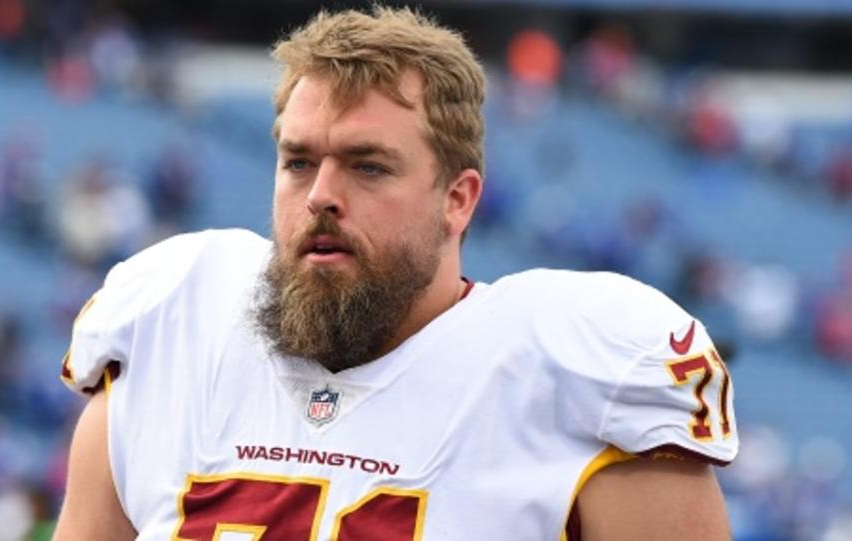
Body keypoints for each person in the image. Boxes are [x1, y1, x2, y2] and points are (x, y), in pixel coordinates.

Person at [54, 7, 737, 540]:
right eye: (298, 162)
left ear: (458, 198)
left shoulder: (579, 379)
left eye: (367, 165)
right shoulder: (172, 334)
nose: (321, 193)